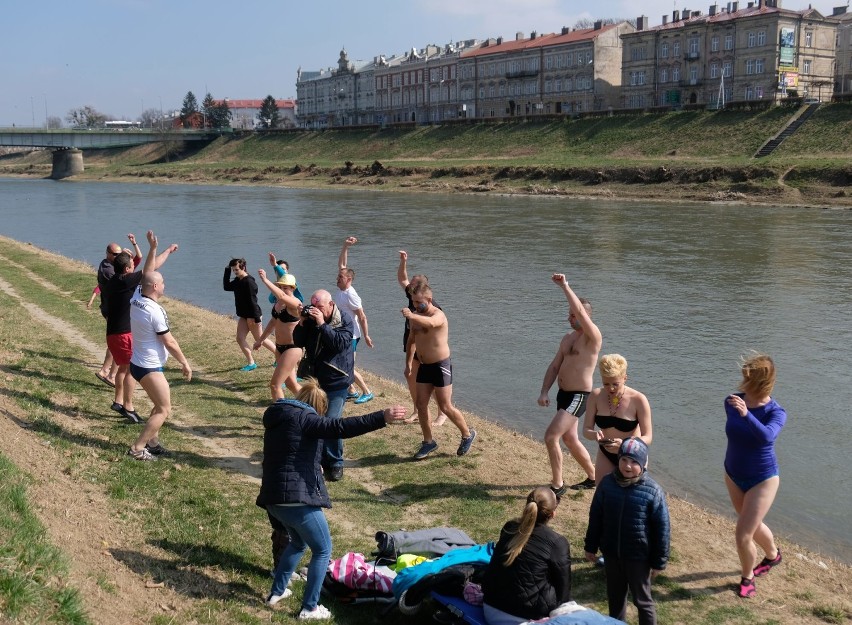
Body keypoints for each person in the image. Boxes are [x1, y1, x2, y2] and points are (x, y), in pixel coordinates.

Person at [256, 378, 406, 617]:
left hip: (273, 499)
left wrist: (315, 466)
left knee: (298, 542)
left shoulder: (279, 419)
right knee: (323, 550)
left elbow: (292, 454)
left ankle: (277, 592)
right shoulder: (308, 419)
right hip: (296, 500)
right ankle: (309, 608)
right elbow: (341, 427)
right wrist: (382, 417)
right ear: (320, 408)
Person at [584, 438, 670, 625]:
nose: (628, 466)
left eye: (634, 462)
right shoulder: (606, 484)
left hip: (638, 557)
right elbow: (596, 516)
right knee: (615, 598)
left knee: (643, 600)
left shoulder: (653, 491)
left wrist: (659, 561)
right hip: (612, 554)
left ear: (643, 464)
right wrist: (590, 545)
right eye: (624, 460)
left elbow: (662, 530)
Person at [724, 353, 786, 599]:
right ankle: (773, 555)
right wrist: (742, 412)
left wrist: (747, 415)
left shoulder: (777, 412)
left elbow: (767, 437)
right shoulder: (731, 402)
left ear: (762, 382)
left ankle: (747, 577)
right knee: (750, 522)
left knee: (743, 534)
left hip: (763, 479)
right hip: (732, 474)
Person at [102, 232, 177, 423]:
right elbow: (149, 271)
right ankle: (128, 406)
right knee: (130, 370)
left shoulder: (115, 281)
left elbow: (150, 270)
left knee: (122, 368)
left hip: (113, 333)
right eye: (132, 266)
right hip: (122, 334)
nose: (135, 267)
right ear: (127, 269)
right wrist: (153, 248)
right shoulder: (125, 281)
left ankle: (119, 401)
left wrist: (166, 250)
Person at [538, 273, 602, 495]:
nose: (569, 319)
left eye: (573, 315)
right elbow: (555, 366)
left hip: (579, 396)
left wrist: (565, 286)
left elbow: (582, 312)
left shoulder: (592, 337)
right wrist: (544, 390)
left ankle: (558, 485)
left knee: (551, 437)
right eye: (569, 315)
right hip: (563, 394)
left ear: (583, 317)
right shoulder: (567, 338)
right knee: (570, 438)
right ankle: (594, 477)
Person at [127, 262, 192, 460]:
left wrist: (154, 248)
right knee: (164, 409)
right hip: (149, 367)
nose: (165, 285)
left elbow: (146, 272)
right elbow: (169, 341)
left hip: (137, 363)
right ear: (155, 287)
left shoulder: (136, 297)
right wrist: (184, 362)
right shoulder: (154, 312)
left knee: (158, 403)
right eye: (162, 282)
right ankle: (137, 448)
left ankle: (152, 443)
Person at [403, 283, 476, 460]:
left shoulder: (438, 315)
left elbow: (432, 323)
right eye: (413, 301)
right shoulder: (416, 317)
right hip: (424, 365)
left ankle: (467, 434)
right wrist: (408, 364)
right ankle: (428, 442)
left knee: (445, 406)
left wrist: (412, 315)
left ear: (429, 299)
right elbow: (411, 340)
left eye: (418, 301)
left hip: (440, 365)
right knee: (421, 405)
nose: (415, 305)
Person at [481, 487, 571, 625]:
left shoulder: (510, 527)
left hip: (490, 608)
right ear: (553, 514)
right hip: (527, 617)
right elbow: (563, 591)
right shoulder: (557, 543)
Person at [292, 289, 354, 482]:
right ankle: (316, 457)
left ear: (331, 304)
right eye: (314, 307)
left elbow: (339, 345)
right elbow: (297, 341)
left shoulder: (345, 320)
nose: (316, 311)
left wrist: (321, 324)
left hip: (337, 380)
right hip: (315, 380)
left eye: (320, 308)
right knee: (313, 419)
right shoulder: (310, 319)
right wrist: (302, 323)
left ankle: (335, 463)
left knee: (332, 422)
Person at [583, 354, 653, 484]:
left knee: (632, 497)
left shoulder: (638, 399)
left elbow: (648, 437)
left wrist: (625, 444)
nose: (611, 388)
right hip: (606, 452)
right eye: (606, 384)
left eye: (615, 384)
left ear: (625, 378)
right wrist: (595, 435)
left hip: (632, 455)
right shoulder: (595, 396)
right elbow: (586, 430)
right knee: (603, 492)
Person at [396, 250, 446, 425]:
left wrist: (411, 316)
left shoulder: (434, 308)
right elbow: (402, 278)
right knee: (411, 378)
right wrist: (403, 261)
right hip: (412, 344)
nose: (410, 287)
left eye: (414, 286)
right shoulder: (412, 299)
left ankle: (442, 413)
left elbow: (432, 327)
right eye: (411, 287)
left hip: (429, 351)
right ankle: (417, 410)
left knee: (435, 384)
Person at [92, 235, 141, 386]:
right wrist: (125, 260)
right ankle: (109, 373)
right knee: (118, 342)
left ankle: (106, 371)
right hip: (111, 309)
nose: (118, 256)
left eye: (119, 253)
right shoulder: (107, 269)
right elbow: (124, 277)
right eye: (116, 254)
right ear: (108, 254)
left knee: (116, 342)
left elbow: (138, 259)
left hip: (115, 308)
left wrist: (134, 244)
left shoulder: (116, 266)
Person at [335, 236, 374, 404]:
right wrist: (345, 246)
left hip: (351, 335)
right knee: (340, 362)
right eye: (338, 277)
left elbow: (362, 316)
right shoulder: (343, 288)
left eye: (340, 278)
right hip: (342, 331)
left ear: (348, 280)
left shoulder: (352, 295)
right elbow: (342, 265)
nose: (337, 279)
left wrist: (366, 336)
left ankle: (366, 391)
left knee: (348, 365)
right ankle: (351, 390)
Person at [255, 269, 304, 399]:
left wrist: (265, 280)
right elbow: (272, 323)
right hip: (279, 348)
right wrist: (260, 340)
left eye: (285, 288)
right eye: (280, 287)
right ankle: (310, 404)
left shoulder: (296, 303)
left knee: (275, 385)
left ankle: (280, 413)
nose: (282, 290)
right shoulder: (278, 304)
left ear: (293, 288)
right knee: (290, 384)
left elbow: (282, 296)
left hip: (292, 348)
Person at [224, 258, 276, 371]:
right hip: (244, 315)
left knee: (259, 338)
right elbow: (226, 287)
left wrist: (256, 318)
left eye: (236, 269)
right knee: (240, 338)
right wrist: (227, 270)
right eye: (233, 270)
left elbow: (253, 301)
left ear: (243, 267)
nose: (235, 272)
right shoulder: (238, 280)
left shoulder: (249, 282)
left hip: (253, 315)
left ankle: (279, 356)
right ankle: (251, 363)